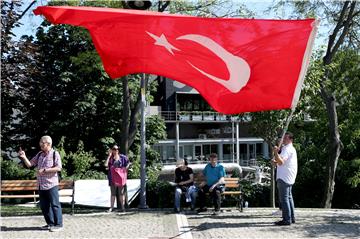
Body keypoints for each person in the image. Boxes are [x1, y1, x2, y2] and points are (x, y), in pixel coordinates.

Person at [18, 135, 63, 232]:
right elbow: (30, 164)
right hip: (41, 185)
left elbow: (59, 168)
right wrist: (24, 157)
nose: (40, 144)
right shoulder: (39, 154)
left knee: (55, 205)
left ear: (48, 144)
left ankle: (59, 224)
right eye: (40, 142)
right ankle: (50, 224)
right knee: (44, 206)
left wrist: (45, 170)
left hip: (52, 185)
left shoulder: (55, 154)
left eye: (42, 142)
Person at [272, 132, 298, 226]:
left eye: (285, 138)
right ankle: (291, 218)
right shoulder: (289, 148)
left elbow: (281, 162)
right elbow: (280, 161)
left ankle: (287, 219)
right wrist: (276, 161)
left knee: (284, 198)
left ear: (291, 139)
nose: (283, 140)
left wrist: (275, 152)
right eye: (283, 138)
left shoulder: (287, 149)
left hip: (284, 176)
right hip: (288, 176)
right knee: (289, 197)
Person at [104, 145, 130, 212]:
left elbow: (128, 163)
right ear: (112, 150)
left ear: (118, 150)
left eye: (116, 149)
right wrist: (109, 156)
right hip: (112, 178)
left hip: (120, 178)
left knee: (121, 193)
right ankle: (111, 208)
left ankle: (123, 207)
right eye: (114, 149)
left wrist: (126, 168)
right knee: (113, 193)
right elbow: (106, 165)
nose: (115, 150)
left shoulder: (123, 157)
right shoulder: (111, 158)